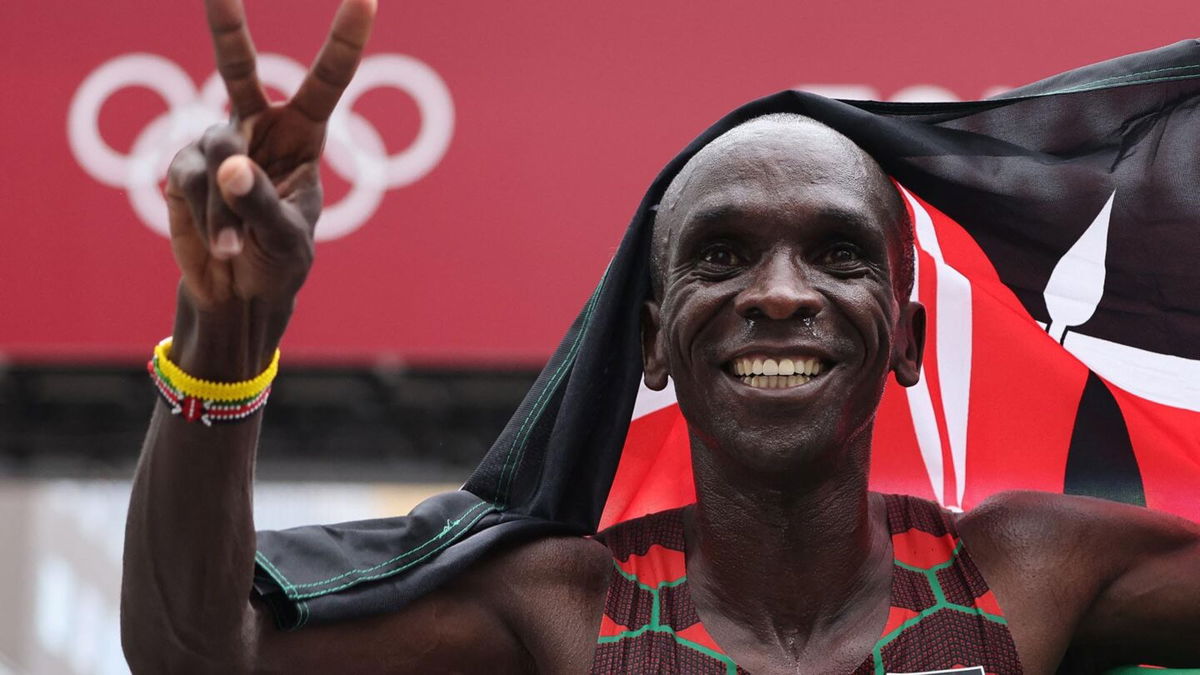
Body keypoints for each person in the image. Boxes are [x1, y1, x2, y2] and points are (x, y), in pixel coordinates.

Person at [120, 1, 1200, 672]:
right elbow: (195, 651)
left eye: (837, 254)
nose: (780, 295)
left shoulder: (1024, 572)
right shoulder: (565, 608)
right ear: (649, 342)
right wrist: (226, 327)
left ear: (909, 338)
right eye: (721, 258)